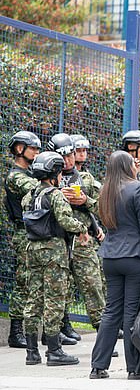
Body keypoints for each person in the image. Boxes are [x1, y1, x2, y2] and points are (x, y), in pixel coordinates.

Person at [90, 151, 140, 379]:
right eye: (133, 162)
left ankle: (98, 366)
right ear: (125, 166)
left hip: (111, 257)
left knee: (111, 311)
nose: (136, 164)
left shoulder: (105, 192)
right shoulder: (138, 188)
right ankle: (135, 368)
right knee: (131, 313)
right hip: (134, 257)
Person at [22, 151, 89, 366]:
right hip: (54, 252)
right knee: (54, 300)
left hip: (32, 249)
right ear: (54, 173)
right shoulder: (55, 194)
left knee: (34, 298)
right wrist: (82, 228)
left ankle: (32, 352)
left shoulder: (30, 194)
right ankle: (54, 351)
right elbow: (66, 221)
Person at [47, 133, 105, 337]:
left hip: (82, 241)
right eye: (62, 156)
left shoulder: (86, 179)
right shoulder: (46, 181)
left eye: (70, 154)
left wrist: (84, 200)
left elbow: (104, 207)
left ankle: (103, 331)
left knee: (93, 285)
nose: (68, 160)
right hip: (55, 241)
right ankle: (60, 329)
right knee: (60, 288)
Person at [4, 131, 41, 348]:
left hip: (33, 233)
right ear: (20, 149)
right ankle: (15, 331)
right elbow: (37, 190)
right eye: (33, 148)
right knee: (24, 281)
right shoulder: (16, 176)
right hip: (23, 233)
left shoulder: (30, 173)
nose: (36, 152)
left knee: (35, 282)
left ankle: (31, 329)